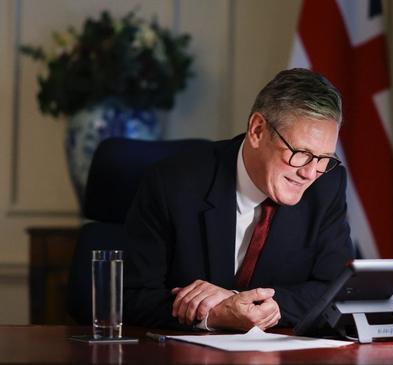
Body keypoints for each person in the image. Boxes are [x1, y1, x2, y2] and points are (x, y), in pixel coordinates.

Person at [123, 68, 354, 331]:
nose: (311, 173)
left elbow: (337, 290)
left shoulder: (327, 186)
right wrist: (213, 316)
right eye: (301, 153)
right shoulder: (172, 183)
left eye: (324, 158)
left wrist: (261, 306)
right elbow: (133, 296)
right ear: (257, 130)